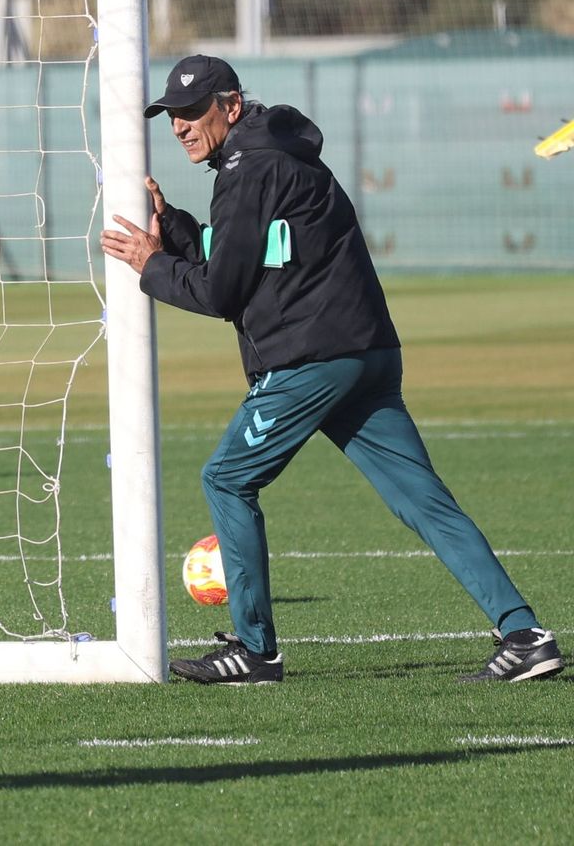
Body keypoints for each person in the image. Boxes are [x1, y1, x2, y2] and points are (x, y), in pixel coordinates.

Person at [101, 54, 562, 686]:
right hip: (364, 351)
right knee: (424, 501)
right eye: (172, 116)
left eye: (192, 112)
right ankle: (525, 634)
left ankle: (255, 652)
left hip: (311, 360)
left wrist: (152, 265)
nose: (179, 126)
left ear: (230, 107)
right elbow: (263, 250)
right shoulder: (277, 152)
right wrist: (178, 231)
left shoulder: (247, 166)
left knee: (226, 479)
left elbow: (221, 292)